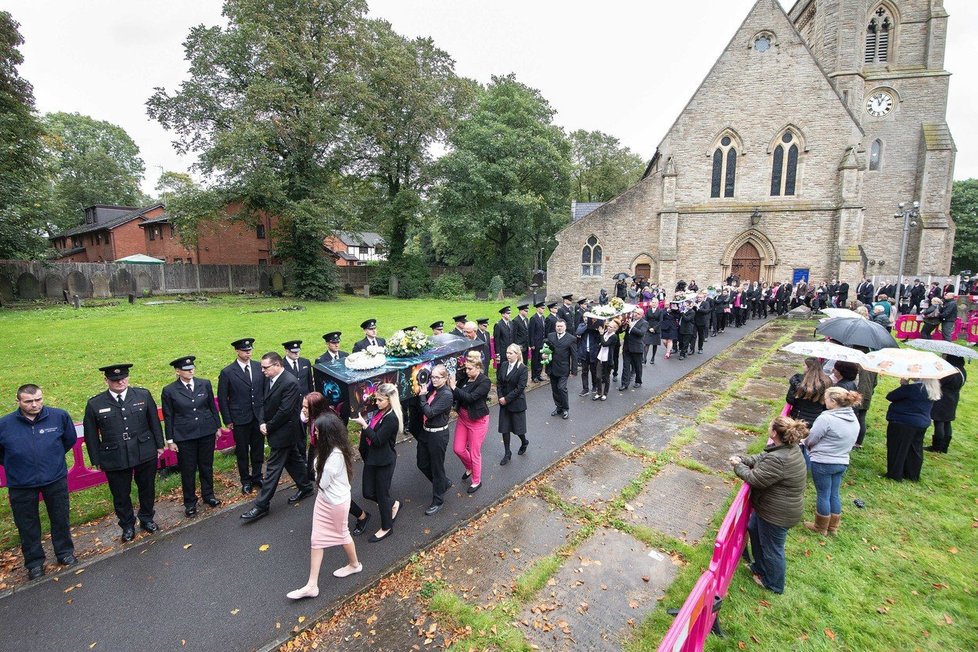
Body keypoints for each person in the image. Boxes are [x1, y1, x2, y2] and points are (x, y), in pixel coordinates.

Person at [0, 384, 77, 579]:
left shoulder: (59, 416)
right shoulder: (5, 425)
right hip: (21, 483)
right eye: (29, 401)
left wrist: (52, 460)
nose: (35, 405)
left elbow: (68, 440)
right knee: (27, 524)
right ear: (18, 401)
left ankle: (65, 553)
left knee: (60, 517)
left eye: (38, 400)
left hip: (54, 478)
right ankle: (34, 563)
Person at [83, 364, 164, 542]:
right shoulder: (95, 403)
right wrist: (96, 458)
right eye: (115, 380)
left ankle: (147, 518)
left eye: (123, 378)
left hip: (144, 449)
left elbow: (154, 422)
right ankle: (127, 525)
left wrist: (159, 444)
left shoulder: (142, 395)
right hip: (115, 454)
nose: (120, 382)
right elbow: (90, 434)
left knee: (147, 488)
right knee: (120, 493)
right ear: (106, 381)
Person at [287, 411, 362, 600]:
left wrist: (315, 469)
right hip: (324, 499)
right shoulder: (329, 448)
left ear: (327, 433)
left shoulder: (334, 456)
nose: (315, 435)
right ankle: (312, 585)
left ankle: (355, 565)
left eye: (318, 432)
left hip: (336, 502)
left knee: (343, 534)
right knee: (317, 539)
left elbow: (321, 481)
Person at [730, 416, 808, 594]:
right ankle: (760, 567)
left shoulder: (780, 458)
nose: (768, 427)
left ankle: (773, 584)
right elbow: (761, 457)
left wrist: (737, 466)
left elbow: (755, 478)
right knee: (753, 528)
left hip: (777, 514)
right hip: (769, 507)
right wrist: (743, 459)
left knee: (773, 548)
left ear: (774, 432)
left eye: (770, 426)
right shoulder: (784, 448)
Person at [240, 352, 314, 522]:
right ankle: (306, 486)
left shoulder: (290, 382)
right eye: (262, 367)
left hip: (285, 432)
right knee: (293, 459)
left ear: (277, 365)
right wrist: (261, 421)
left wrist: (268, 426)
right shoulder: (269, 379)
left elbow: (285, 411)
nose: (262, 371)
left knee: (273, 469)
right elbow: (263, 402)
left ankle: (261, 505)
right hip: (275, 428)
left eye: (266, 367)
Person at [160, 356, 222, 518]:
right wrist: (170, 439)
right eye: (186, 370)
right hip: (185, 436)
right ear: (178, 371)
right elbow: (169, 416)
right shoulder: (170, 390)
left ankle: (208, 495)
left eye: (192, 368)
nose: (190, 371)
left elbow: (211, 407)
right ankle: (190, 502)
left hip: (206, 432)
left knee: (206, 466)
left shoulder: (204, 383)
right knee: (187, 470)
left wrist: (217, 426)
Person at [802, 387, 861, 536]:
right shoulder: (853, 418)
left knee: (823, 494)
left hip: (823, 462)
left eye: (826, 399)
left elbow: (812, 438)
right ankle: (833, 527)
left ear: (833, 401)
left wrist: (805, 443)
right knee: (834, 493)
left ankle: (820, 527)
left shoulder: (826, 418)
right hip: (842, 461)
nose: (824, 401)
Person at [351, 383, 401, 542]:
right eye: (376, 399)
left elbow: (378, 440)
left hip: (384, 461)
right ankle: (392, 504)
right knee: (368, 492)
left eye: (380, 400)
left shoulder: (391, 418)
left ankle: (387, 528)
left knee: (381, 493)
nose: (376, 403)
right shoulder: (380, 412)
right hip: (372, 459)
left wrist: (364, 425)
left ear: (389, 400)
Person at [217, 338, 265, 494]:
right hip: (240, 418)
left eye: (250, 350)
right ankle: (245, 480)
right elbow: (223, 398)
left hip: (257, 416)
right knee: (242, 451)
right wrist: (228, 419)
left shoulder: (259, 367)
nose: (248, 353)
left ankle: (257, 476)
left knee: (258, 449)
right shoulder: (228, 372)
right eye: (245, 351)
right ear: (237, 351)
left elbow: (264, 391)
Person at [415, 364, 454, 515]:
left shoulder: (446, 395)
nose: (434, 380)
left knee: (437, 468)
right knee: (422, 463)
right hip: (426, 433)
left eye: (438, 377)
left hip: (438, 435)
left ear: (445, 378)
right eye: (433, 377)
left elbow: (430, 412)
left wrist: (422, 396)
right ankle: (443, 483)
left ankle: (438, 500)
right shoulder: (434, 390)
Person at [884, 378, 940, 482]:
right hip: (921, 423)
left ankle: (894, 475)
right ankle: (912, 475)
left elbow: (891, 396)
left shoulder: (912, 388)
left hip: (903, 421)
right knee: (915, 449)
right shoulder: (932, 389)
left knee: (897, 449)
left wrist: (904, 385)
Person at [450, 358, 491, 494]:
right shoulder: (465, 378)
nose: (467, 371)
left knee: (474, 453)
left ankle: (476, 481)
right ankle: (470, 467)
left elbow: (470, 398)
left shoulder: (484, 382)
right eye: (465, 368)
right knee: (458, 449)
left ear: (478, 368)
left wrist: (454, 388)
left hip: (477, 421)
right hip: (463, 418)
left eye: (470, 369)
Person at [926, 355, 966, 453]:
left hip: (943, 399)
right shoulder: (962, 371)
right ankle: (944, 447)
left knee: (939, 421)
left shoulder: (950, 372)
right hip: (953, 398)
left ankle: (937, 447)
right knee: (947, 422)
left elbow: (938, 382)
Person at [497, 344, 529, 464]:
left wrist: (506, 399)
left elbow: (520, 388)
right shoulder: (504, 365)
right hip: (504, 403)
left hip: (516, 403)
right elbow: (499, 382)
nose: (508, 355)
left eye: (510, 353)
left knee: (518, 429)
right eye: (507, 353)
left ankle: (524, 441)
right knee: (505, 429)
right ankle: (507, 452)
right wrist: (500, 397)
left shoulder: (522, 368)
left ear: (517, 354)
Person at [544, 319, 578, 419]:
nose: (559, 328)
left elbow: (574, 356)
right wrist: (544, 356)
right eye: (558, 326)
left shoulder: (571, 339)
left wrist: (574, 370)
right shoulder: (550, 336)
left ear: (565, 327)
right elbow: (546, 349)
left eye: (561, 326)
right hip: (551, 368)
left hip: (563, 369)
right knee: (554, 389)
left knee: (561, 388)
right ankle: (558, 407)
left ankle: (565, 409)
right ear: (555, 327)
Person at [786, 357, 832, 427]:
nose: (803, 367)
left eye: (804, 365)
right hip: (817, 419)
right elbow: (827, 404)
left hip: (798, 418)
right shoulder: (827, 382)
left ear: (808, 368)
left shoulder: (798, 380)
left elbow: (790, 400)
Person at [620, 307, 648, 389]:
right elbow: (623, 331)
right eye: (635, 312)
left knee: (637, 366)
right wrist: (623, 326)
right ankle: (624, 383)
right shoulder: (629, 320)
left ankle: (638, 381)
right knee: (626, 365)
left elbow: (641, 333)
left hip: (636, 348)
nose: (635, 314)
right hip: (627, 347)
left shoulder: (644, 323)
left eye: (638, 314)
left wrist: (632, 326)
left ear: (642, 315)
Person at [595, 318, 621, 401]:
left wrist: (601, 334)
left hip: (607, 359)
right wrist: (602, 334)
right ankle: (599, 392)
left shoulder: (614, 336)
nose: (608, 328)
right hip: (600, 357)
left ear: (615, 329)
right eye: (608, 326)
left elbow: (605, 344)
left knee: (606, 378)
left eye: (611, 327)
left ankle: (605, 393)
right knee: (598, 377)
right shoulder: (605, 333)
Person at [576, 316, 601, 397]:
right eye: (585, 318)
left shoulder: (595, 327)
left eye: (588, 318)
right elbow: (578, 332)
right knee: (584, 371)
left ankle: (594, 386)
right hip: (584, 352)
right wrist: (587, 325)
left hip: (593, 353)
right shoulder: (582, 325)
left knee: (593, 371)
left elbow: (599, 339)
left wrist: (595, 327)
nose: (586, 319)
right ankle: (585, 389)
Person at [528, 302, 547, 382]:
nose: (543, 310)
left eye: (544, 308)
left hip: (542, 342)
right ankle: (534, 376)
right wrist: (532, 344)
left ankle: (539, 374)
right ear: (537, 309)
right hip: (536, 343)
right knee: (535, 360)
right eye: (542, 308)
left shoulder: (543, 317)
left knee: (541, 359)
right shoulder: (533, 318)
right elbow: (531, 332)